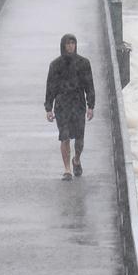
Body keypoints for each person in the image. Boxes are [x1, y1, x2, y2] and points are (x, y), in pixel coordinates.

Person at [44, 33, 95, 180]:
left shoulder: (84, 63)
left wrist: (91, 106)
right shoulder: (55, 65)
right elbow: (50, 87)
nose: (70, 46)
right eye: (68, 43)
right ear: (63, 46)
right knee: (64, 136)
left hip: (78, 104)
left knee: (79, 139)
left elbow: (89, 86)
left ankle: (76, 159)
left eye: (73, 43)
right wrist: (48, 108)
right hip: (62, 105)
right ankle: (67, 170)